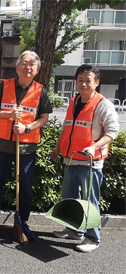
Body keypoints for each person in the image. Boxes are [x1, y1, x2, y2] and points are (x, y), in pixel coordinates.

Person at [0, 50, 53, 239]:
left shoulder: (40, 91)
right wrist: (9, 115)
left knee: (26, 186)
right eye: (25, 63)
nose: (28, 67)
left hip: (27, 146)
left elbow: (44, 118)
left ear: (37, 69)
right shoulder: (4, 86)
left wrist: (27, 128)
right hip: (3, 144)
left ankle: (22, 221)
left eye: (32, 64)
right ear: (17, 67)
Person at [51, 64, 119, 253]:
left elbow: (113, 132)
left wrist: (95, 145)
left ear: (96, 83)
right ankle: (73, 230)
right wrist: (57, 148)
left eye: (88, 80)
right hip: (70, 158)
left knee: (90, 201)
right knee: (70, 198)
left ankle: (92, 238)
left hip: (91, 162)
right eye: (80, 80)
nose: (83, 84)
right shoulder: (74, 100)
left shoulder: (103, 104)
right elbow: (66, 127)